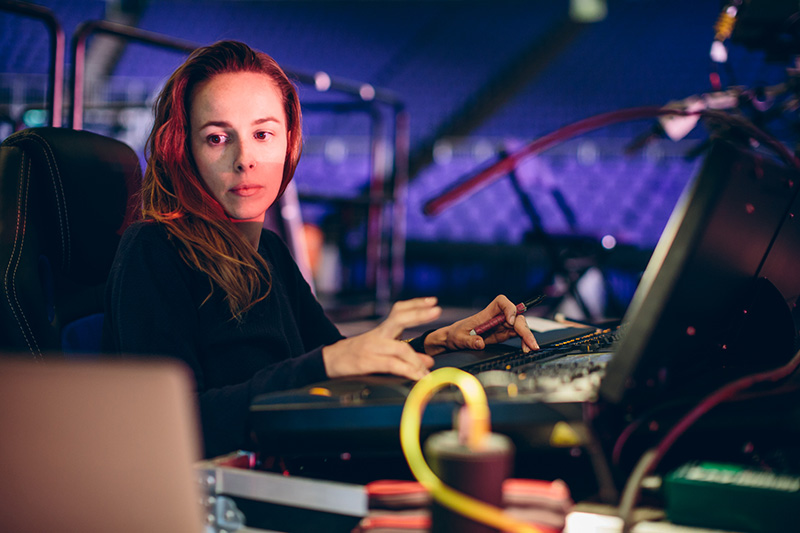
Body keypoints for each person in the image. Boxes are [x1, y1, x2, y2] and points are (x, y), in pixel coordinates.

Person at [102, 40, 539, 458]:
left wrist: (436, 344)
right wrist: (327, 364)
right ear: (184, 150)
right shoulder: (153, 250)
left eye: (262, 134)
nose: (244, 158)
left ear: (289, 141)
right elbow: (169, 424)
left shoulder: (268, 251)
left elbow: (335, 359)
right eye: (217, 138)